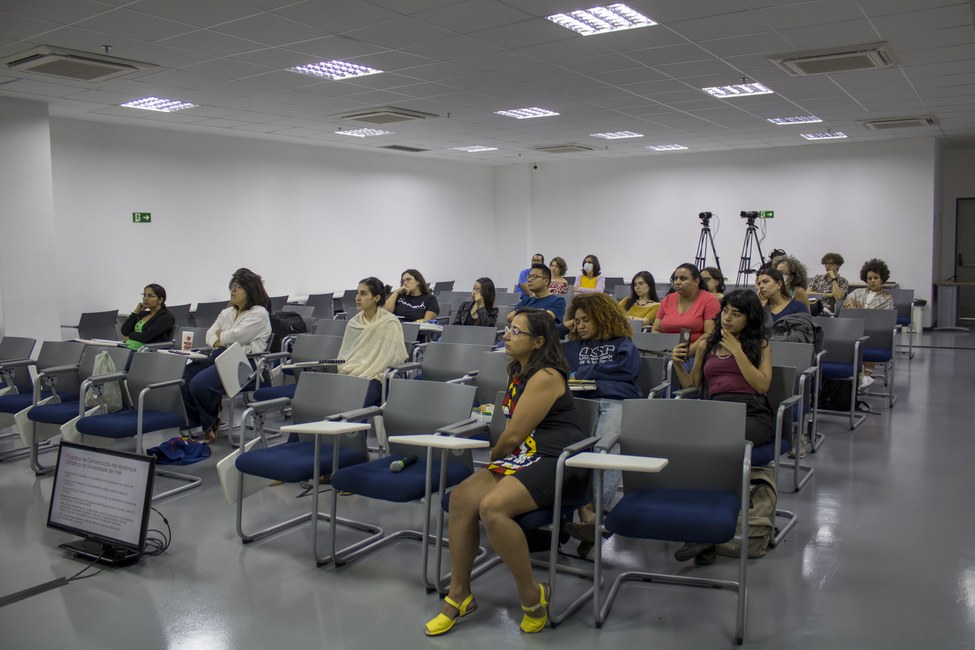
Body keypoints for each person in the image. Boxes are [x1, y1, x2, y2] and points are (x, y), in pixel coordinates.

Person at [424, 309, 587, 637]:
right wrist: (502, 455)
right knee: (461, 499)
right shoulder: (519, 371)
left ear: (538, 342)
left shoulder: (546, 376)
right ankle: (460, 593)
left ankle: (532, 594)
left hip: (557, 458)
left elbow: (512, 436)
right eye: (509, 328)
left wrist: (494, 455)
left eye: (516, 331)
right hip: (525, 454)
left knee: (492, 507)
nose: (507, 335)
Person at [669, 290, 774, 565]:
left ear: (750, 318)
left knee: (711, 449)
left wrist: (737, 351)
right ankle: (705, 533)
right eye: (725, 311)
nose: (727, 318)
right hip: (716, 412)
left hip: (751, 412)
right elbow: (692, 385)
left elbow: (762, 385)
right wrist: (677, 364)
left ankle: (702, 532)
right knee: (684, 447)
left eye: (736, 314)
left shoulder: (760, 345)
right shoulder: (707, 344)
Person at [561, 292, 641, 558]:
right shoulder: (571, 347)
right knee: (566, 450)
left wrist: (585, 373)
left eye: (587, 320)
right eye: (577, 320)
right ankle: (584, 514)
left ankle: (594, 512)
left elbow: (626, 370)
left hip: (615, 401)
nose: (581, 325)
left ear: (603, 318)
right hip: (579, 402)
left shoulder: (622, 343)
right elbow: (551, 357)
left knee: (605, 448)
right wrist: (564, 326)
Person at [182, 268, 272, 443]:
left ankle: (208, 424)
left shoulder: (259, 314)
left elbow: (236, 337)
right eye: (232, 286)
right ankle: (201, 422)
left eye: (238, 287)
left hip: (244, 363)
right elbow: (210, 334)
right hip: (219, 355)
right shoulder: (227, 312)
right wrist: (220, 340)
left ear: (250, 290)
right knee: (185, 378)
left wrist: (221, 337)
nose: (233, 290)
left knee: (200, 384)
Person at [339, 277, 408, 406]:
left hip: (377, 377)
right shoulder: (354, 323)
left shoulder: (389, 323)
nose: (357, 298)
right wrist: (353, 369)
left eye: (363, 294)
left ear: (376, 298)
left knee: (354, 403)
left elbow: (392, 357)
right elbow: (345, 354)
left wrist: (368, 370)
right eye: (357, 293)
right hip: (351, 373)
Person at [652, 263, 720, 346]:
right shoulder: (667, 300)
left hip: (695, 350)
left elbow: (709, 334)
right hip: (665, 349)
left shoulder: (710, 301)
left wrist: (687, 351)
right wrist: (664, 348)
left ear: (696, 281)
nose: (677, 282)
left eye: (683, 279)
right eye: (675, 278)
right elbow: (655, 329)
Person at [120, 283, 175, 350]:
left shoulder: (166, 317)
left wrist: (129, 336)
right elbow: (124, 331)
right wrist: (136, 312)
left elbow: (146, 337)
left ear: (160, 300)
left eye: (150, 296)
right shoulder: (144, 314)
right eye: (144, 295)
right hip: (128, 347)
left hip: (146, 352)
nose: (145, 299)